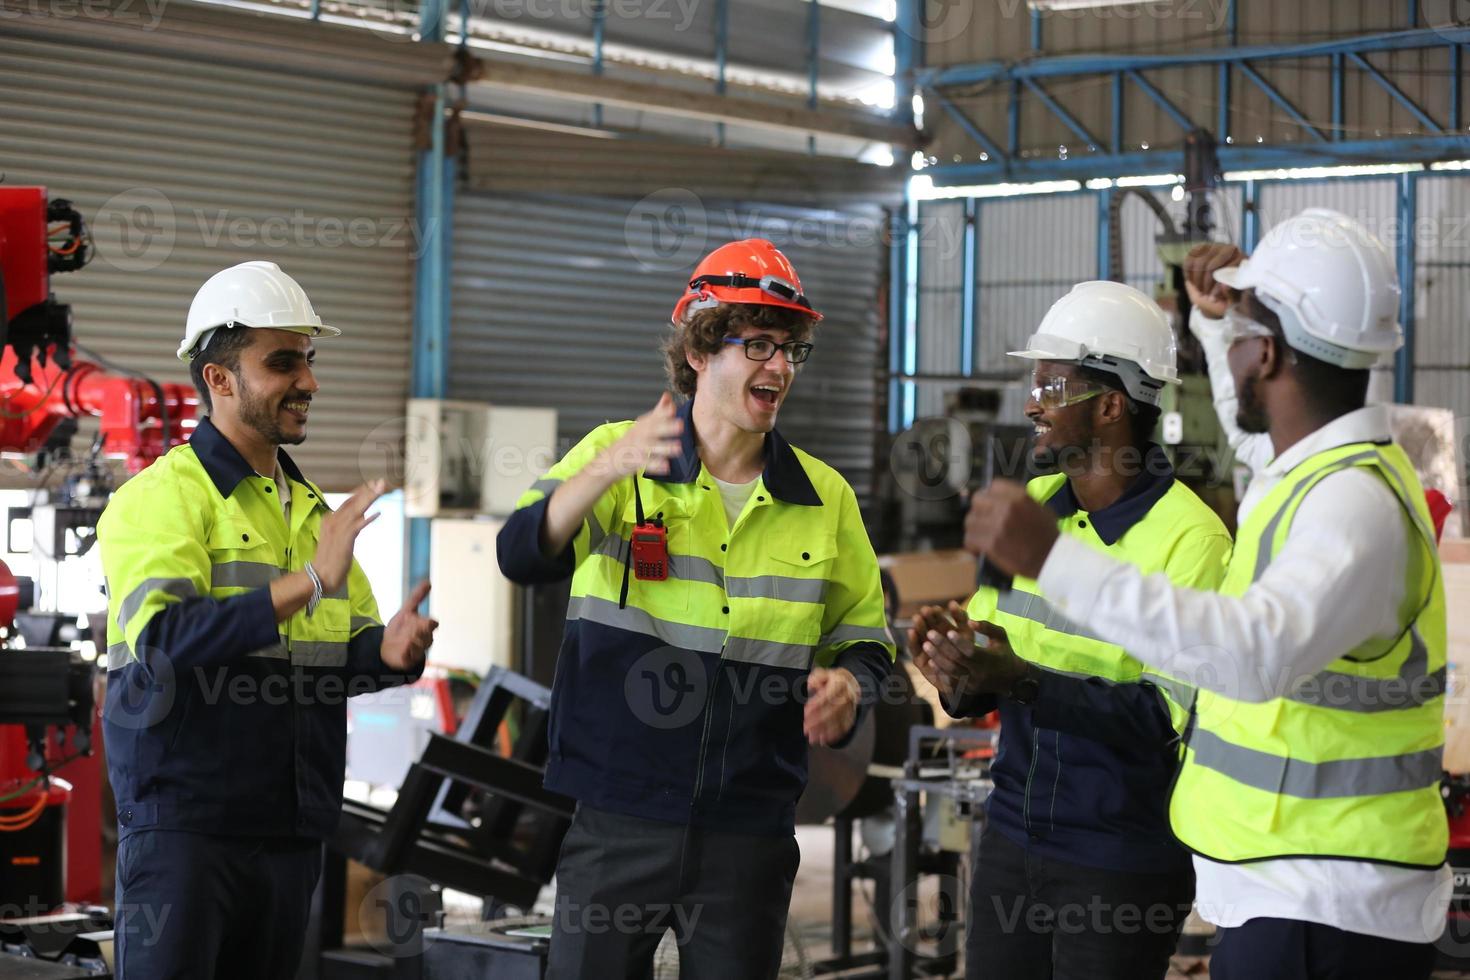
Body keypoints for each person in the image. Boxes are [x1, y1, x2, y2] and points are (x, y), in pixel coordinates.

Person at [962, 210, 1451, 980]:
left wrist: (1056, 561)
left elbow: (1251, 655)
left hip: (1328, 900)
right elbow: (1251, 431)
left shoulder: (1350, 503)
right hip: (1294, 889)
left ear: (1273, 353)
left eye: (1246, 333)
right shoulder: (1312, 475)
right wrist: (1217, 323)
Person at [496, 238, 896, 979]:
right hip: (619, 817)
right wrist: (602, 474)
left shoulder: (825, 498)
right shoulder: (619, 458)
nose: (780, 367)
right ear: (702, 349)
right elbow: (521, 554)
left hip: (750, 826)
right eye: (761, 345)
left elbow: (867, 641)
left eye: (792, 350)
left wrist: (853, 685)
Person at [99, 260, 438, 979]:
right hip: (187, 834)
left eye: (309, 361)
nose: (309, 382)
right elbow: (164, 642)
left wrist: (393, 652)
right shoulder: (161, 500)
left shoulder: (311, 508)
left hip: (291, 831)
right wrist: (309, 579)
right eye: (283, 362)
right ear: (220, 379)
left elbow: (334, 659)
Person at [909, 281, 1231, 980]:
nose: (1031, 403)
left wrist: (1020, 680)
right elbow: (984, 670)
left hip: (1121, 863)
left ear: (1112, 405)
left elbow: (1161, 718)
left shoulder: (1192, 540)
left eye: (1052, 387)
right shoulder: (1031, 513)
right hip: (1014, 839)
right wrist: (950, 660)